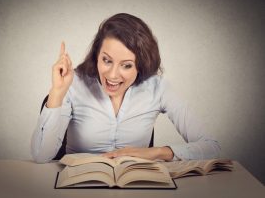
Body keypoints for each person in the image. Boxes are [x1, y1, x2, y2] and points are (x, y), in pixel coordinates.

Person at [31, 13, 220, 163]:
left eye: (127, 65)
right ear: (97, 55)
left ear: (141, 65)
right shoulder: (75, 84)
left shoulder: (157, 88)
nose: (112, 75)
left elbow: (211, 147)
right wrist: (57, 92)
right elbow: (41, 157)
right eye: (107, 60)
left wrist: (158, 153)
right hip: (79, 187)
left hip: (137, 188)